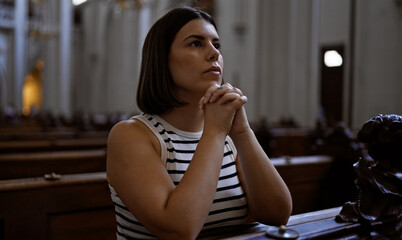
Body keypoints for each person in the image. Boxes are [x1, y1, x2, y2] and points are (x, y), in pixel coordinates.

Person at [107, 7, 292, 239]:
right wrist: (214, 132)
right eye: (196, 43)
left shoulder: (227, 138)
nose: (213, 53)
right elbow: (179, 230)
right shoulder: (131, 136)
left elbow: (278, 214)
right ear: (162, 59)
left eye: (217, 45)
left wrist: (242, 132)